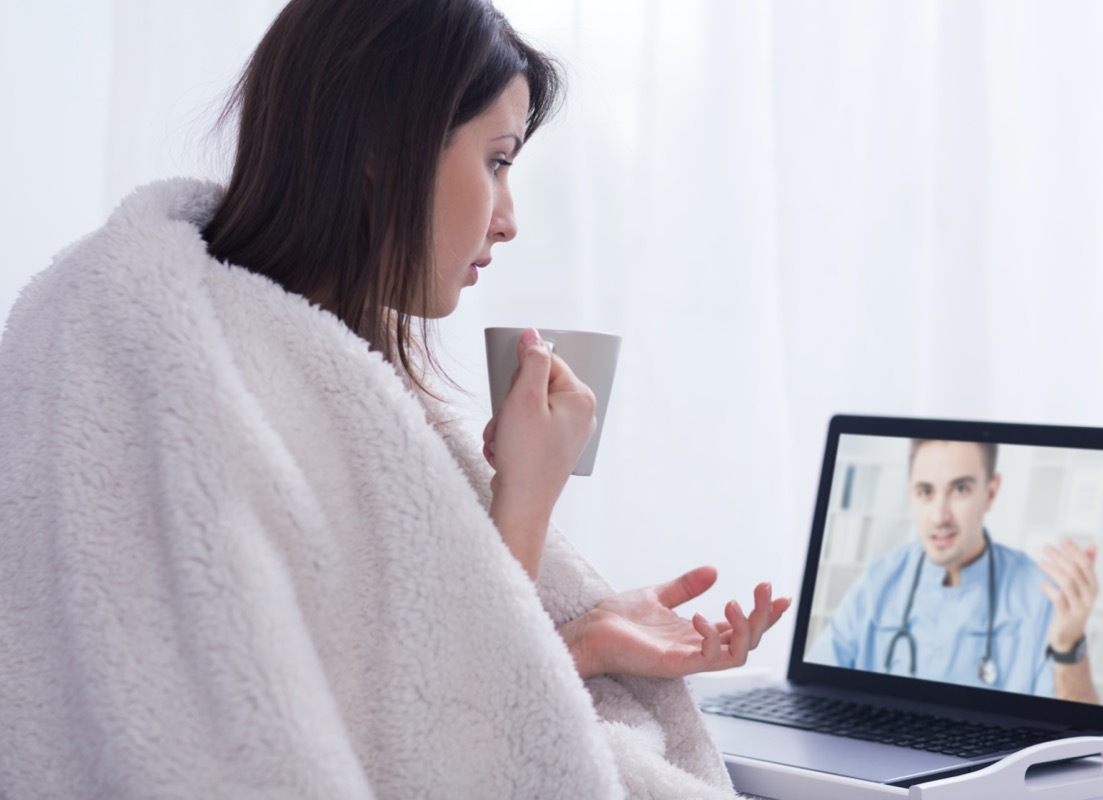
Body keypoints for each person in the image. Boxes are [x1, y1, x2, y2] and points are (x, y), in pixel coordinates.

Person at [0, 1, 788, 797]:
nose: (508, 219)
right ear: (386, 147)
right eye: (497, 161)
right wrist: (524, 503)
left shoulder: (245, 352)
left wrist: (574, 647)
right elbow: (432, 754)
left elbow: (369, 691)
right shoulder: (210, 385)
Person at [809, 439, 1100, 704]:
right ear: (911, 493)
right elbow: (812, 692)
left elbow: (1075, 744)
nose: (939, 516)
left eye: (960, 489)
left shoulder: (1041, 595)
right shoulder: (878, 580)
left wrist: (1068, 647)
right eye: (925, 492)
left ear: (991, 492)